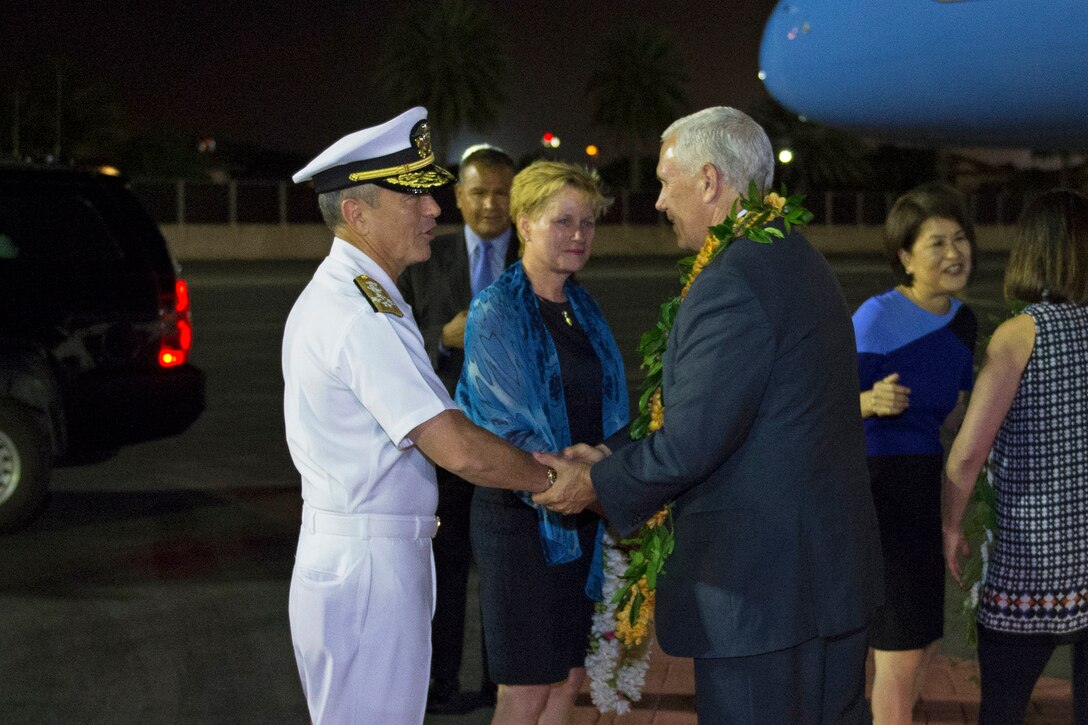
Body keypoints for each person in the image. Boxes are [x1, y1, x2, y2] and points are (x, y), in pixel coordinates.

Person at [533, 106, 883, 724]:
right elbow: (721, 406)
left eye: (668, 181)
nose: (660, 201)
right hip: (821, 582)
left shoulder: (734, 278)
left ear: (710, 181)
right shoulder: (793, 256)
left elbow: (693, 441)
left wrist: (594, 482)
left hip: (763, 600)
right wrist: (615, 451)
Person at [282, 107, 558, 725]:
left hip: (374, 555)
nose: (434, 208)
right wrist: (553, 480)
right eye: (412, 195)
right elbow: (454, 445)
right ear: (357, 212)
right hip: (369, 569)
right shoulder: (361, 311)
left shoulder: (363, 295)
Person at [456, 160, 627, 724]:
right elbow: (508, 428)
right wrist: (587, 480)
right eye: (563, 221)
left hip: (582, 516)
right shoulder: (497, 309)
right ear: (524, 223)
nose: (579, 235)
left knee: (569, 677)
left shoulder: (586, 308)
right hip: (521, 521)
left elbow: (608, 408)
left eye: (588, 222)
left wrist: (607, 468)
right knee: (526, 688)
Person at [943, 189, 1088, 725]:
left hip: (1034, 565)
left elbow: (968, 454)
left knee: (1003, 707)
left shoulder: (1019, 335)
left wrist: (950, 525)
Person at [852, 183, 977, 724]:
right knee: (898, 653)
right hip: (878, 490)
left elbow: (954, 414)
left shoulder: (964, 321)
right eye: (936, 243)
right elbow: (817, 407)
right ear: (904, 256)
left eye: (960, 239)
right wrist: (866, 400)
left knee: (921, 643)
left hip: (926, 485)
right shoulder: (875, 318)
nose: (954, 254)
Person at [399, 144, 517, 714]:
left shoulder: (539, 252)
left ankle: (503, 686)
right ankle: (441, 687)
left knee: (504, 579)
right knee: (443, 580)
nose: (491, 204)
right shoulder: (428, 255)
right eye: (479, 192)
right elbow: (400, 339)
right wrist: (441, 340)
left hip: (513, 448)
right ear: (458, 196)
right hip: (446, 448)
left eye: (502, 192)